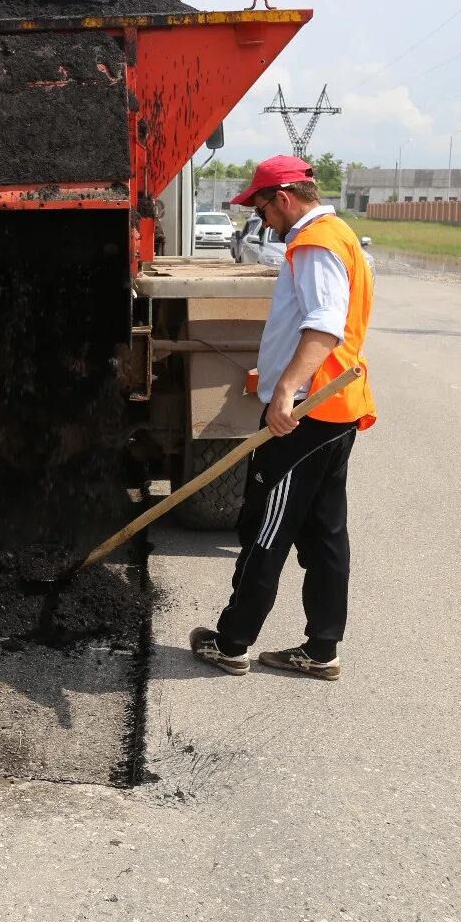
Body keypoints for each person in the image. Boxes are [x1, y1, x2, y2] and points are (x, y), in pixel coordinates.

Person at [189, 155, 376, 682]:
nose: (261, 216)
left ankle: (231, 643)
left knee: (265, 527)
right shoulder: (339, 236)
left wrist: (286, 391)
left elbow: (324, 325)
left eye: (262, 205)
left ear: (287, 197)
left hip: (308, 414)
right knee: (322, 534)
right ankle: (321, 651)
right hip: (335, 410)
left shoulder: (315, 245)